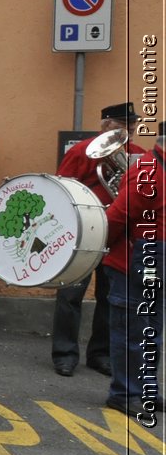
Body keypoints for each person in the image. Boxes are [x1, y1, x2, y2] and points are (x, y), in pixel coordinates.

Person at [52, 102, 143, 377]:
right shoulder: (82, 151)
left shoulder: (138, 155)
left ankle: (100, 353)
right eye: (120, 125)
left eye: (130, 125)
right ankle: (64, 354)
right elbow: (63, 189)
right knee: (70, 292)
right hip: (84, 231)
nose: (127, 130)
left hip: (116, 234)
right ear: (104, 126)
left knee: (109, 294)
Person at [101, 132, 164, 423]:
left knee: (151, 331)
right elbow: (118, 216)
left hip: (151, 256)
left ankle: (147, 390)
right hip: (135, 258)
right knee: (132, 331)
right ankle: (125, 393)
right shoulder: (149, 171)